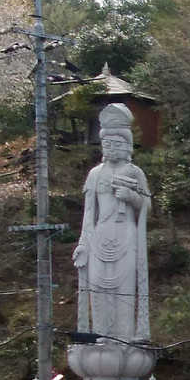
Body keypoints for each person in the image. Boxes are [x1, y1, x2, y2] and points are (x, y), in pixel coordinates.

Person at [73, 103, 151, 342]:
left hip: (125, 235)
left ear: (128, 146)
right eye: (108, 143)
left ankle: (125, 339)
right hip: (99, 236)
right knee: (98, 288)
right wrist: (83, 244)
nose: (112, 148)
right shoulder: (95, 174)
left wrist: (131, 197)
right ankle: (102, 336)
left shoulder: (134, 172)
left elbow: (148, 206)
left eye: (118, 143)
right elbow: (88, 213)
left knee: (124, 290)